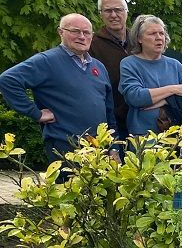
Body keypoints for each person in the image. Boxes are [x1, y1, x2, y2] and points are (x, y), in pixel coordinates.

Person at [0, 13, 118, 165]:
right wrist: (35, 113)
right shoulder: (46, 61)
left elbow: (109, 111)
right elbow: (8, 80)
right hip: (66, 146)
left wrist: (113, 145)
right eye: (75, 31)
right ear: (61, 32)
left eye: (86, 32)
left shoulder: (98, 67)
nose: (82, 36)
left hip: (99, 146)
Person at [119, 15, 182, 138]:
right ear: (139, 38)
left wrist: (166, 100)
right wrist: (173, 89)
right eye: (152, 33)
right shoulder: (129, 64)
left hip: (177, 136)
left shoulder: (175, 65)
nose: (159, 38)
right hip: (144, 137)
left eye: (161, 33)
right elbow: (135, 97)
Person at [88, 0, 132, 133]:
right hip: (111, 122)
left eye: (118, 10)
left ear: (126, 11)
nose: (113, 15)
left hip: (142, 116)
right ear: (101, 14)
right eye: (108, 10)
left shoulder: (140, 40)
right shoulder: (91, 45)